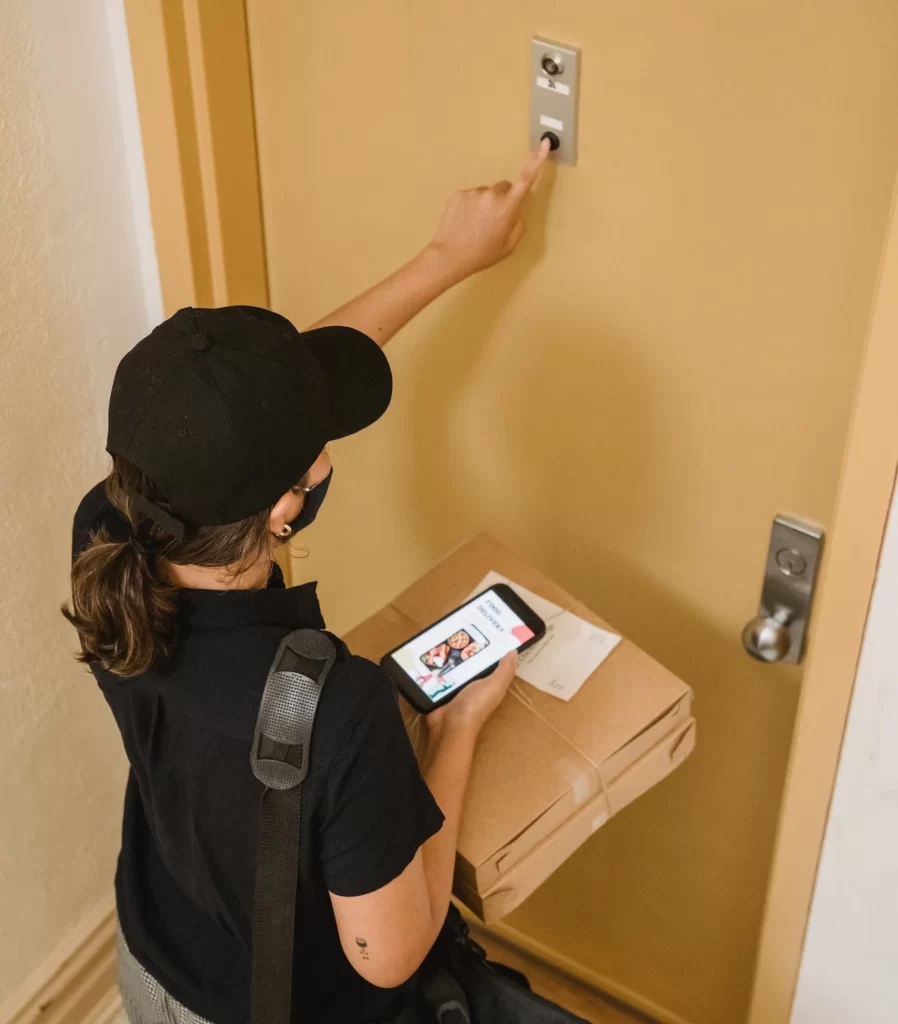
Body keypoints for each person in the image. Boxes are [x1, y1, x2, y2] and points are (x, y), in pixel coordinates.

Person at [64, 141, 551, 1024]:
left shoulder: (106, 534)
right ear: (287, 504)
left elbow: (248, 417)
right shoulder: (333, 708)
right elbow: (388, 956)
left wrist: (446, 260)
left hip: (148, 964)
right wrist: (455, 731)